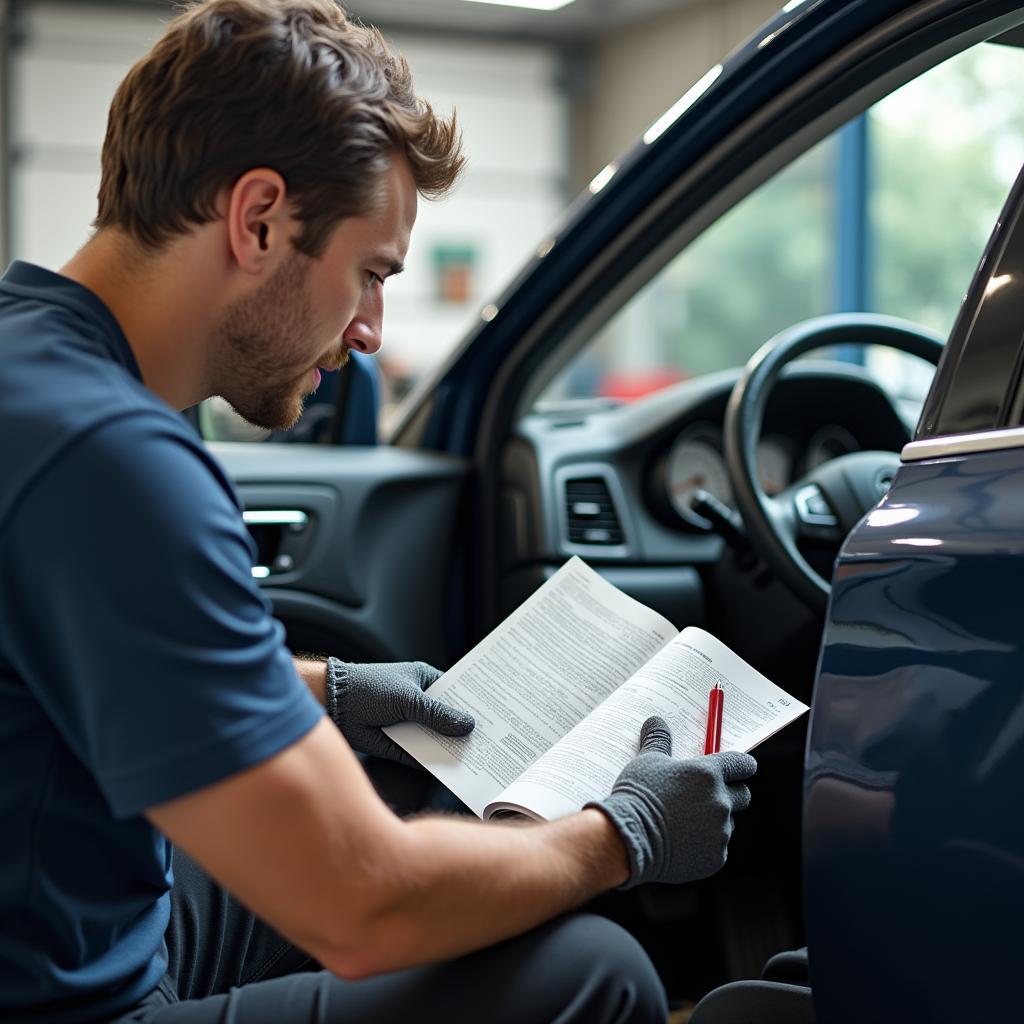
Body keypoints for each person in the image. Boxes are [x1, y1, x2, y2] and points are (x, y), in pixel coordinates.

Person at [0, 2, 758, 1022]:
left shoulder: (33, 368)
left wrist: (329, 690)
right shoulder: (116, 462)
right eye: (370, 274)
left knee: (422, 794)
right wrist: (619, 835)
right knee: (593, 970)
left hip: (61, 905)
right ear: (258, 218)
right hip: (71, 999)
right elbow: (361, 908)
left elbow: (82, 659)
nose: (369, 332)